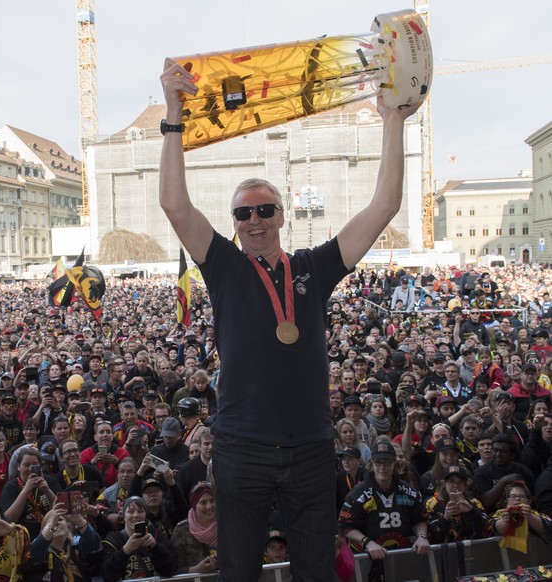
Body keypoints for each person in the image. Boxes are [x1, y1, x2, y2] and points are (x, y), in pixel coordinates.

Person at [159, 57, 420, 582]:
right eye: (243, 213)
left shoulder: (315, 267)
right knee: (239, 572)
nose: (254, 220)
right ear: (234, 223)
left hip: (309, 448)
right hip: (241, 447)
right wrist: (173, 113)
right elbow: (175, 204)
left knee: (315, 573)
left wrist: (394, 118)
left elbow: (384, 205)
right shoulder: (225, 268)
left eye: (264, 209)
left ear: (282, 215)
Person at [338, 440, 429, 558]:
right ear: (371, 464)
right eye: (378, 463)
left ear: (394, 464)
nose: (382, 467)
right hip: (367, 557)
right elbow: (345, 526)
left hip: (402, 554)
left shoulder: (409, 492)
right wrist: (367, 542)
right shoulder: (357, 494)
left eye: (387, 463)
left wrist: (422, 537)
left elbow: (420, 519)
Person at [101, 495, 177, 581]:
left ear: (145, 515)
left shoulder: (156, 535)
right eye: (131, 512)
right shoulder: (113, 539)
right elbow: (107, 574)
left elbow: (171, 569)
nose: (136, 515)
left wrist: (155, 547)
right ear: (124, 517)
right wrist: (125, 550)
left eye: (140, 511)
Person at [31, 504, 102, 581]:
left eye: (60, 520)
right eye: (51, 521)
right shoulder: (43, 552)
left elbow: (94, 544)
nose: (56, 523)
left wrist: (79, 521)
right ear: (44, 530)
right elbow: (34, 553)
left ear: (67, 526)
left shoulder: (77, 544)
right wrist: (51, 524)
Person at [425, 465, 490, 543]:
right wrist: (445, 518)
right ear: (444, 483)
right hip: (444, 552)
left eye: (460, 482)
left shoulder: (474, 502)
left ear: (465, 485)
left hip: (473, 549)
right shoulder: (432, 503)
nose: (456, 486)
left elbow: (487, 530)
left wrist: (471, 512)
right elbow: (432, 538)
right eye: (451, 481)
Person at [170, 482, 218, 574]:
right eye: (203, 502)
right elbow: (172, 569)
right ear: (194, 505)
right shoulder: (182, 530)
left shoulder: (225, 526)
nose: (209, 506)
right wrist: (196, 570)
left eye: (212, 501)